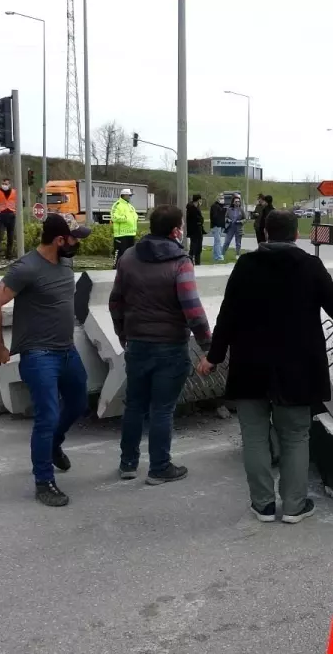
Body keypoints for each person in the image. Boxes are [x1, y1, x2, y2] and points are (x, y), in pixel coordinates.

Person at [197, 209, 333, 523]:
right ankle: (294, 505)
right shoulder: (309, 266)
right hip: (296, 369)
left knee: (254, 436)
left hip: (250, 367)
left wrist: (214, 357)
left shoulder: (245, 266)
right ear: (297, 235)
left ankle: (262, 505)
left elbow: (228, 317)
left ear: (263, 234)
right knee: (294, 436)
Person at [0, 213, 92, 507]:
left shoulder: (66, 263)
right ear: (59, 240)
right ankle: (44, 481)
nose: (77, 242)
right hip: (38, 354)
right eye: (73, 238)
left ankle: (53, 445)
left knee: (79, 403)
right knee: (47, 415)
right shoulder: (26, 268)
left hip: (67, 350)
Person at [109, 205, 212, 484]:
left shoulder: (129, 257)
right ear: (175, 230)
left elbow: (115, 300)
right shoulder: (181, 262)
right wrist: (207, 347)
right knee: (162, 409)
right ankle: (159, 468)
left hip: (138, 344)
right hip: (170, 347)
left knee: (134, 405)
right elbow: (192, 310)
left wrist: (122, 333)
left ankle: (128, 464)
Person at [111, 188, 139, 267]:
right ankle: (116, 268)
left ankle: (128, 268)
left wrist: (135, 219)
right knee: (119, 253)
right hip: (121, 234)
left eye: (131, 195)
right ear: (124, 195)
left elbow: (135, 216)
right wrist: (126, 219)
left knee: (130, 254)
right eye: (129, 195)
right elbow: (114, 217)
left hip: (131, 233)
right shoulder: (117, 205)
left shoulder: (130, 206)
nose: (130, 197)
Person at [186, 194, 206, 265]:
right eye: (200, 199)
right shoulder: (192, 207)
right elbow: (196, 218)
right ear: (198, 200)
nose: (201, 201)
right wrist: (200, 220)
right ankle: (192, 260)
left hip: (198, 229)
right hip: (195, 229)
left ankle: (197, 262)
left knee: (198, 246)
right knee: (194, 246)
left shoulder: (196, 207)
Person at [209, 196, 227, 262]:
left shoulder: (220, 206)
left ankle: (215, 255)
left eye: (223, 198)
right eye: (221, 198)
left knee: (217, 242)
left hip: (219, 226)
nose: (222, 200)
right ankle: (218, 256)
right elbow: (215, 216)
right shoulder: (215, 206)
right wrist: (222, 211)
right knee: (218, 242)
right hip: (216, 226)